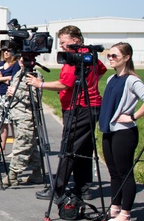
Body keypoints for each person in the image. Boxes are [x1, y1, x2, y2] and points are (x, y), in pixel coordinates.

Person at [27, 25, 107, 204]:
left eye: (64, 42)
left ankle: (58, 188)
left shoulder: (76, 58)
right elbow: (101, 70)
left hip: (79, 107)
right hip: (90, 106)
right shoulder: (90, 55)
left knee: (69, 148)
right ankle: (83, 187)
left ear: (75, 40)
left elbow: (65, 84)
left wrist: (39, 84)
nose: (61, 46)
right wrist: (89, 84)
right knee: (84, 148)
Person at [99, 43, 144, 221]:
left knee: (125, 173)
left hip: (124, 133)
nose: (110, 59)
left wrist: (133, 116)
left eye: (114, 56)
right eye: (109, 55)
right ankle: (114, 207)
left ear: (126, 57)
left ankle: (125, 214)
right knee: (114, 173)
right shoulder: (111, 79)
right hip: (109, 130)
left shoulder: (132, 80)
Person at [6, 64, 44, 185]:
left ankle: (12, 175)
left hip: (27, 116)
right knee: (30, 144)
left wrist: (16, 92)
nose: (22, 61)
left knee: (21, 145)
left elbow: (35, 98)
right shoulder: (18, 73)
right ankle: (37, 173)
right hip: (16, 114)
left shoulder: (34, 75)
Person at [0, 49, 20, 153]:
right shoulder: (1, 64)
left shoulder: (15, 65)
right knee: (2, 123)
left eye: (9, 51)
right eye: (4, 51)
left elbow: (13, 79)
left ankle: (15, 149)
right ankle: (1, 148)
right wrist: (5, 79)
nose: (6, 53)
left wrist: (2, 77)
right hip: (1, 95)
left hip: (10, 95)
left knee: (12, 123)